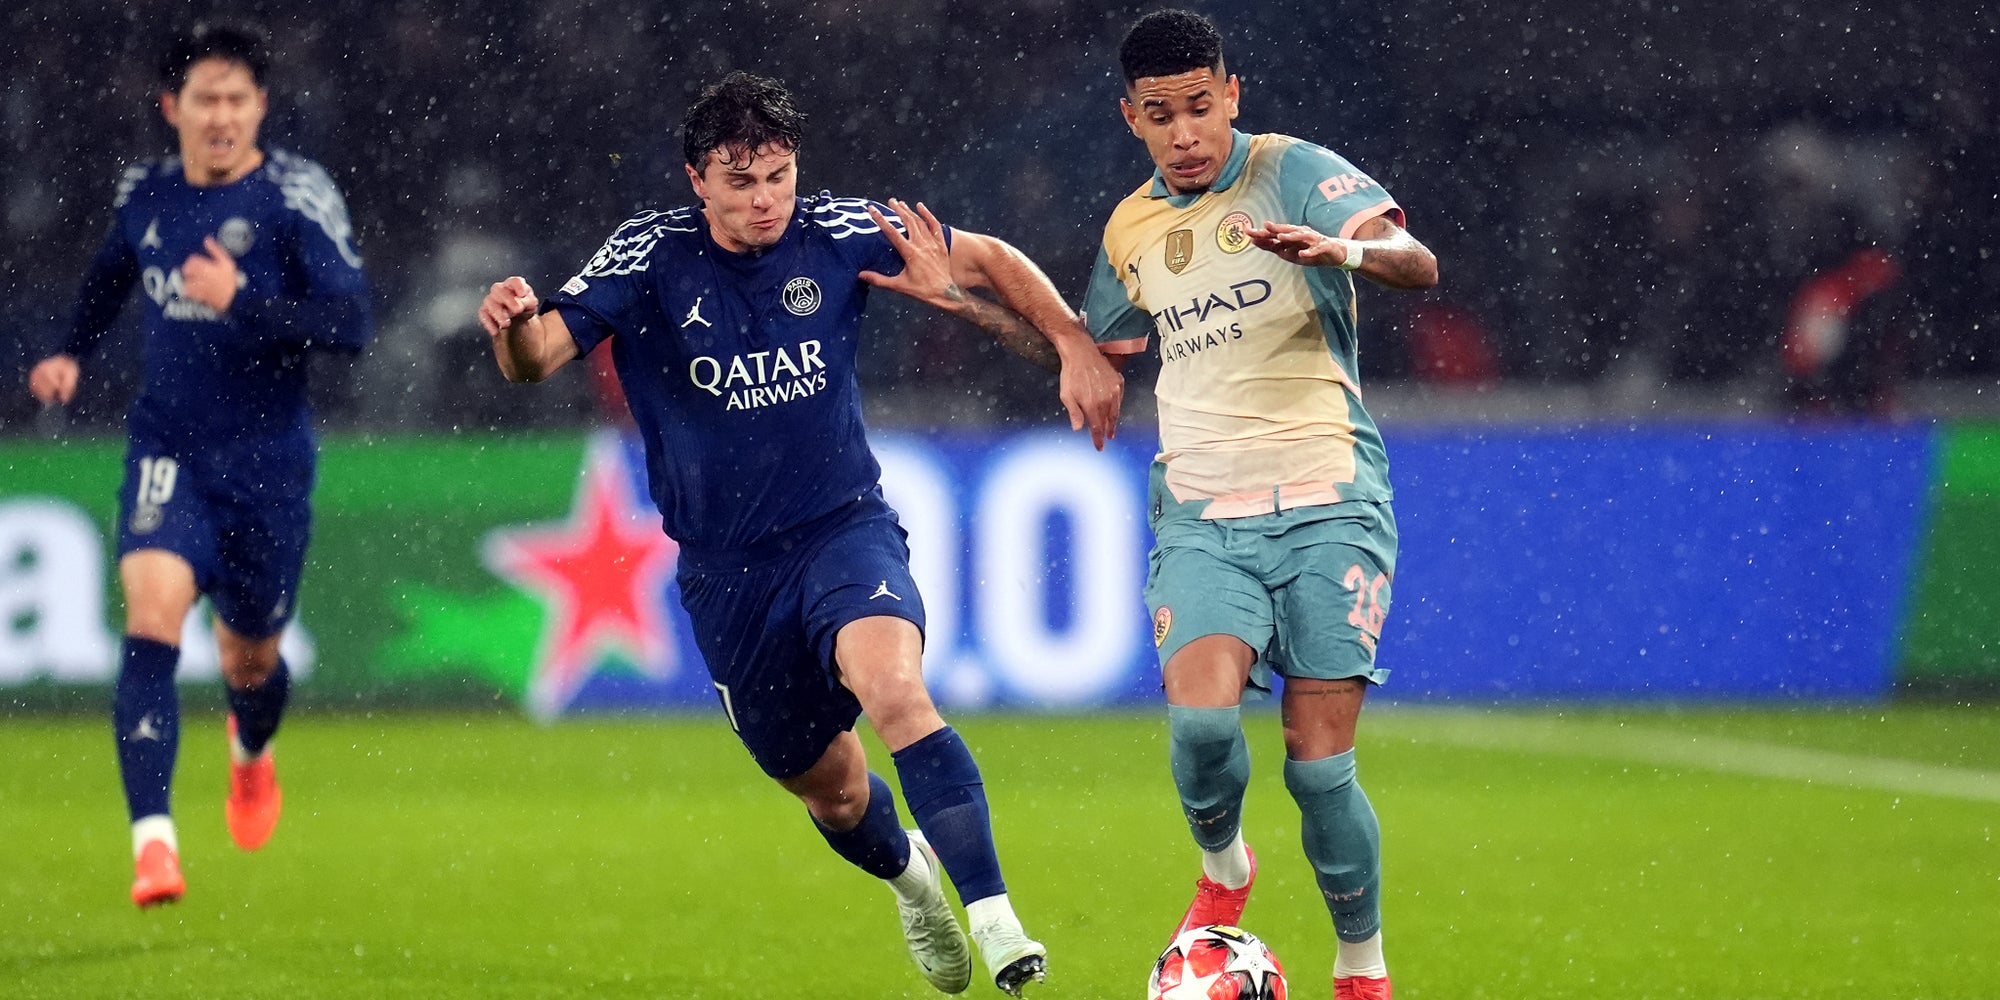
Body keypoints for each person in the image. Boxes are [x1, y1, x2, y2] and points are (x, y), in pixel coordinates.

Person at [477, 71, 1120, 997]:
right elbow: (535, 361)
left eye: (776, 174)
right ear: (697, 179)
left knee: (897, 691)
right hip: (729, 573)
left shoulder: (839, 228)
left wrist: (1070, 338)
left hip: (842, 529)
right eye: (740, 182)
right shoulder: (649, 256)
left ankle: (999, 922)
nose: (764, 199)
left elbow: (985, 257)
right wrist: (510, 328)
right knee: (834, 790)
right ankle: (912, 879)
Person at [1081, 11, 1438, 1000]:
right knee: (1199, 732)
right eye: (1162, 114)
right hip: (1202, 514)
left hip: (1328, 499)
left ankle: (1360, 970)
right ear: (1131, 118)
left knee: (1318, 770)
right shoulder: (1129, 229)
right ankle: (1226, 866)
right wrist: (987, 304)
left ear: (1230, 95)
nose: (1185, 130)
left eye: (1200, 106)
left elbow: (1418, 262)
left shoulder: (1289, 170)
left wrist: (1342, 254)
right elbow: (1094, 345)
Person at [26, 22, 372, 908]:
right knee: (150, 620)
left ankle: (250, 754)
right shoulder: (145, 195)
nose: (220, 115)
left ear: (259, 107)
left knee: (250, 661)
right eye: (204, 99)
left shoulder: (296, 197)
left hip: (267, 469)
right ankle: (154, 845)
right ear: (171, 108)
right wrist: (71, 351)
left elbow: (350, 325)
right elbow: (108, 278)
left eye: (236, 98)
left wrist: (245, 299)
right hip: (167, 449)